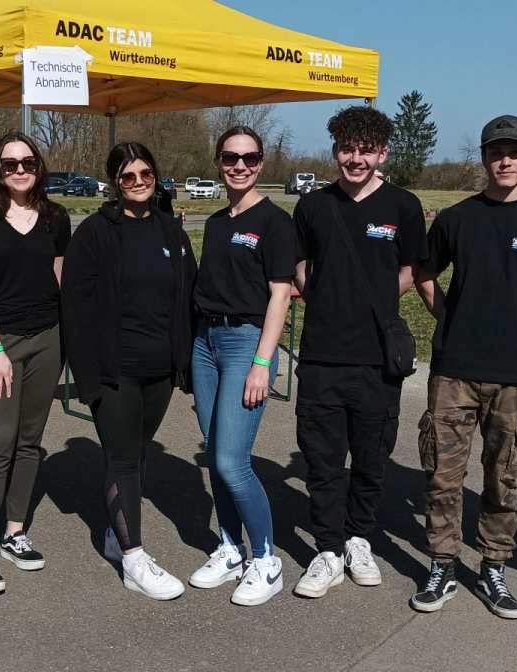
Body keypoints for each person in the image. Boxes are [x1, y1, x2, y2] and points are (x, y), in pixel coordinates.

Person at [408, 115, 517, 619]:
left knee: (503, 479)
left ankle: (493, 567)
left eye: (514, 151)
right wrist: (450, 316)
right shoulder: (458, 219)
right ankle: (442, 563)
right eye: (495, 151)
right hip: (454, 372)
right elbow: (424, 274)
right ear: (483, 157)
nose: (504, 160)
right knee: (443, 475)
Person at [290, 105, 426, 599]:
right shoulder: (312, 207)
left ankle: (358, 539)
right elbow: (299, 268)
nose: (355, 158)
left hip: (376, 361)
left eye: (365, 149)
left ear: (382, 153)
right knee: (323, 461)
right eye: (347, 148)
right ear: (335, 150)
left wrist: (377, 304)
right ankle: (326, 549)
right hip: (322, 357)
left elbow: (410, 270)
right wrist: (327, 300)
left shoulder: (403, 207)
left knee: (371, 459)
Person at [61, 142, 197, 601]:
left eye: (145, 174)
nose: (139, 182)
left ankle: (117, 537)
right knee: (122, 458)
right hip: (114, 370)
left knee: (136, 454)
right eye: (127, 177)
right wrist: (87, 376)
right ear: (114, 183)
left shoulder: (171, 232)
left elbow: (189, 294)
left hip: (160, 370)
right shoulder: (96, 233)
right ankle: (135, 558)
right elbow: (74, 308)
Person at [185, 126, 296, 606]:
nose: (240, 166)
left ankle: (266, 559)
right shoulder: (215, 222)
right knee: (215, 452)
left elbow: (281, 295)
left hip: (245, 344)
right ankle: (230, 548)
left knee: (233, 461)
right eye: (231, 158)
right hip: (206, 342)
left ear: (262, 163)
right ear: (219, 161)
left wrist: (261, 362)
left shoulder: (275, 222)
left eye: (249, 159)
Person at [0, 132, 70, 594]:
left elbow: (64, 281)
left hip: (47, 338)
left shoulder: (56, 217)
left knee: (29, 441)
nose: (19, 170)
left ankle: (15, 532)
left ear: (39, 167)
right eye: (9, 164)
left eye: (28, 162)